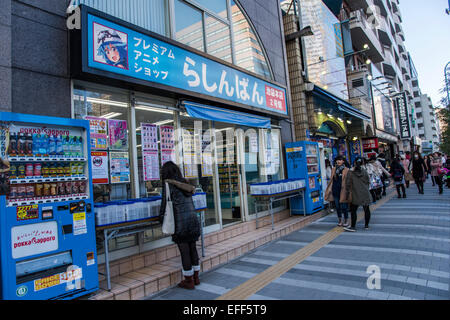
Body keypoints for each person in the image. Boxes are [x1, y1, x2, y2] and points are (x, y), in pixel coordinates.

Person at [159, 161, 201, 289]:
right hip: (192, 221)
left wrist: (161, 219)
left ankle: (188, 281)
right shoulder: (185, 183)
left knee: (185, 252)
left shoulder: (168, 185)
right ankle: (196, 277)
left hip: (180, 223)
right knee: (192, 248)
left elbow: (164, 205)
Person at [344, 156, 372, 232]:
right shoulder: (364, 171)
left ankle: (353, 226)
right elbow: (368, 181)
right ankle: (366, 225)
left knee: (353, 210)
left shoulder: (351, 172)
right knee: (366, 209)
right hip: (365, 192)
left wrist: (347, 193)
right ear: (362, 163)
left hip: (355, 193)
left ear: (355, 163)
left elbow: (348, 184)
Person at [325, 156, 350, 227]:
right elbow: (332, 179)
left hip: (343, 190)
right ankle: (340, 220)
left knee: (344, 206)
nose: (338, 161)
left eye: (340, 160)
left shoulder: (346, 170)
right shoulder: (333, 169)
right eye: (337, 160)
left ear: (343, 161)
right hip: (335, 190)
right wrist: (330, 188)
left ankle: (346, 220)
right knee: (337, 206)